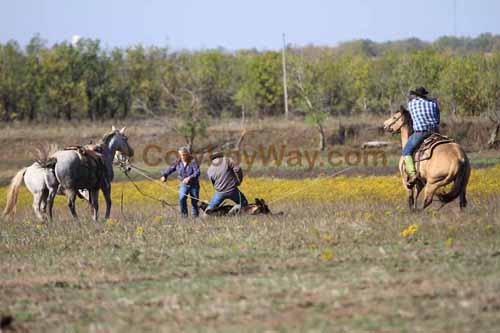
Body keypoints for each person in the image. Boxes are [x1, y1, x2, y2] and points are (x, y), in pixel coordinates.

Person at [403, 86, 440, 186]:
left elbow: (407, 117)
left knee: (406, 151)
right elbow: (437, 119)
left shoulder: (411, 104)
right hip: (435, 132)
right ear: (425, 95)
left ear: (416, 95)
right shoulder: (433, 103)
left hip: (421, 132)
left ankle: (413, 174)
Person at [160, 146, 200, 218]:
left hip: (194, 184)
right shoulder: (178, 162)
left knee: (194, 201)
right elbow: (170, 169)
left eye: (184, 155)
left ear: (187, 154)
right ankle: (184, 216)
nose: (182, 156)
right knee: (182, 199)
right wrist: (164, 175)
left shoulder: (193, 161)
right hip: (183, 184)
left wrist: (189, 178)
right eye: (181, 155)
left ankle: (195, 217)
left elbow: (197, 172)